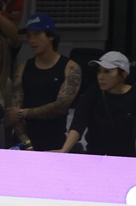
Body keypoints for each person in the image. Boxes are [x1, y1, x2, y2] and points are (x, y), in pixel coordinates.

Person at [7, 13, 81, 151]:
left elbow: (60, 107)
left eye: (36, 34)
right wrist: (25, 141)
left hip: (54, 141)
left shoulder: (70, 68)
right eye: (29, 36)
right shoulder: (23, 68)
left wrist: (24, 112)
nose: (31, 40)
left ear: (50, 36)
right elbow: (13, 112)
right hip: (25, 141)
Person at [56, 51, 136, 157]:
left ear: (123, 74)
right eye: (99, 71)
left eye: (107, 72)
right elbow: (78, 123)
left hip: (126, 156)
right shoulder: (92, 93)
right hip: (96, 154)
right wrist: (64, 150)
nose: (100, 77)